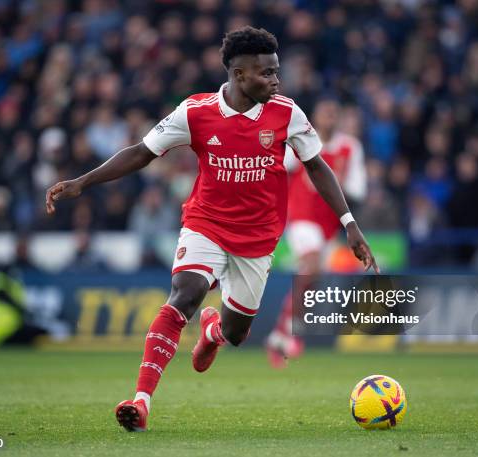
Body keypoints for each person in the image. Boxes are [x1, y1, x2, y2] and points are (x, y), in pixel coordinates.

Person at [45, 26, 377, 432]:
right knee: (184, 294)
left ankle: (214, 330)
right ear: (238, 75)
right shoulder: (195, 112)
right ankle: (141, 401)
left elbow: (316, 165)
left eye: (276, 72)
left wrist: (350, 224)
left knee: (237, 332)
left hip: (258, 237)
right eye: (266, 73)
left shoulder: (287, 113)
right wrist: (83, 181)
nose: (276, 80)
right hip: (206, 223)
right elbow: (141, 152)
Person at [266, 99, 367, 368]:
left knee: (313, 277)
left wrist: (341, 186)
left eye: (334, 114)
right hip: (300, 218)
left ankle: (279, 334)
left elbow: (358, 190)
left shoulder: (350, 148)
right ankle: (292, 327)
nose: (330, 119)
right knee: (310, 266)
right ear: (316, 117)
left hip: (328, 226)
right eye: (325, 113)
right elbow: (280, 169)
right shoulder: (301, 140)